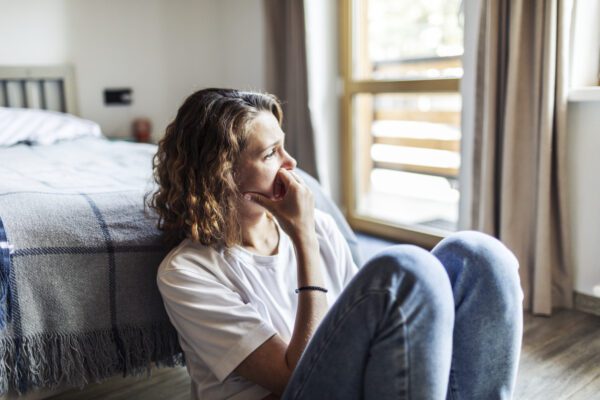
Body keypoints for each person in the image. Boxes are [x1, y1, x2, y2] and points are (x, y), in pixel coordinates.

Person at [148, 88, 524, 400]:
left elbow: (367, 324)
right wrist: (303, 238)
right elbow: (290, 377)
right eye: (270, 154)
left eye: (284, 146)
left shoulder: (321, 224)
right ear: (222, 176)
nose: (291, 163)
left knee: (478, 256)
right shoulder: (187, 272)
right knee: (408, 269)